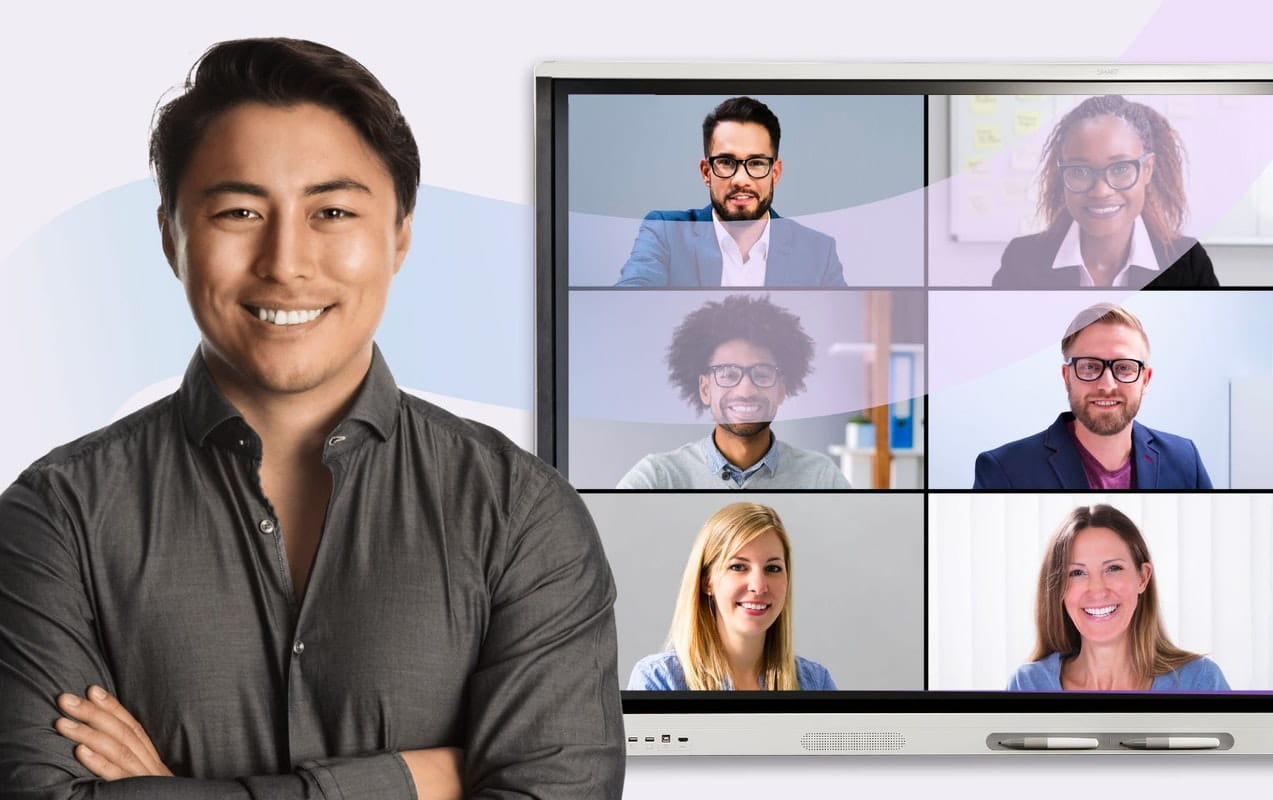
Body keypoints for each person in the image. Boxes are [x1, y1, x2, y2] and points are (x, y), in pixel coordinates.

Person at [0, 38, 623, 799]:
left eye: (331, 211)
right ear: (171, 238)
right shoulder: (58, 516)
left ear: (399, 235)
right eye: (239, 211)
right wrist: (415, 781)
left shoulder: (519, 513)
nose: (286, 262)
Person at [616, 294, 850, 489]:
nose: (746, 390)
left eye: (761, 374)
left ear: (781, 388)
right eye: (728, 374)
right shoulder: (658, 477)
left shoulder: (821, 477)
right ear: (705, 389)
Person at [615, 96, 847, 288]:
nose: (740, 180)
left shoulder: (818, 252)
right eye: (726, 162)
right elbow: (629, 303)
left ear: (775, 173)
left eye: (756, 163)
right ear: (706, 172)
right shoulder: (665, 232)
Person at [973, 303, 1211, 489]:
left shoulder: (1185, 459)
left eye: (1124, 367)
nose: (1107, 385)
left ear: (1145, 379)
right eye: (1089, 367)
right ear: (1067, 377)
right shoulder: (1004, 470)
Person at [992, 95, 1219, 289]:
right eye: (1080, 171)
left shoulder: (1187, 263)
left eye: (1120, 169)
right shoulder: (1021, 261)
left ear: (1147, 170)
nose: (1101, 191)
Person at [1007, 504, 1228, 691]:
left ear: (1143, 578)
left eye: (1113, 568)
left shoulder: (1200, 681)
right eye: (1077, 572)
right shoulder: (1027, 685)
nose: (1097, 589)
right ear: (1059, 589)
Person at [628, 503, 835, 690]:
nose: (758, 586)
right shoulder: (658, 681)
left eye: (773, 568)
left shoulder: (816, 682)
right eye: (738, 567)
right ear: (707, 581)